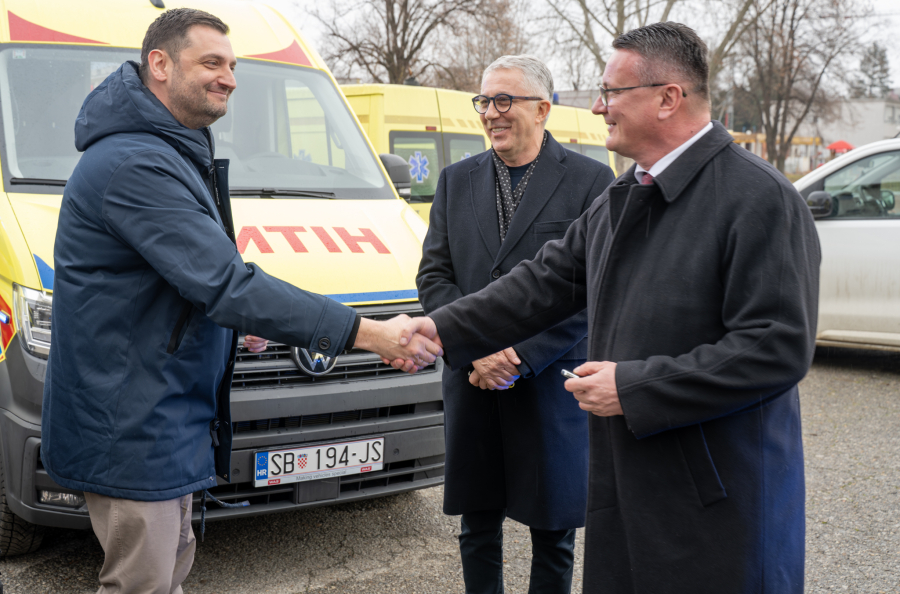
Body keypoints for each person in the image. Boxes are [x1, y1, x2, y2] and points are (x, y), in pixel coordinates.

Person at [395, 22, 820, 594]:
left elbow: (776, 346)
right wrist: (437, 328)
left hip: (717, 500)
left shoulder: (760, 198)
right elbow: (542, 283)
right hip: (629, 481)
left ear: (668, 98)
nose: (598, 107)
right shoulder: (624, 195)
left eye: (612, 92)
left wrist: (633, 388)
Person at [42, 9, 438, 594]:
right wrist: (371, 334)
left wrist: (233, 327)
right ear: (159, 64)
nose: (229, 78)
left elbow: (180, 284)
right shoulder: (135, 163)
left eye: (232, 65)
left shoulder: (170, 150)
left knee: (167, 572)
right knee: (142, 583)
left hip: (162, 417)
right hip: (132, 426)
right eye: (212, 63)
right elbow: (227, 285)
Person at [417, 55, 615, 594]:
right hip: (473, 378)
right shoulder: (456, 180)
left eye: (503, 100)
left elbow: (593, 290)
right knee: (477, 523)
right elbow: (434, 275)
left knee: (554, 532)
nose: (490, 113)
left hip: (548, 382)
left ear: (542, 109)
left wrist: (520, 356)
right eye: (483, 101)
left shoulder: (591, 180)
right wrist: (475, 349)